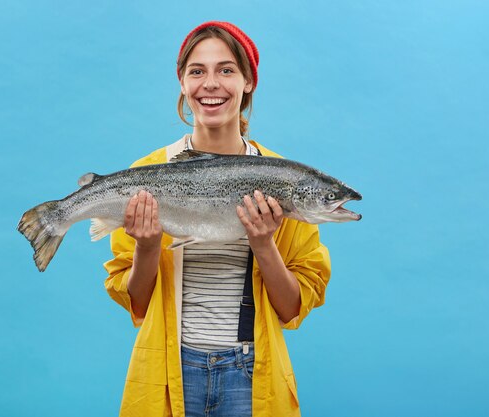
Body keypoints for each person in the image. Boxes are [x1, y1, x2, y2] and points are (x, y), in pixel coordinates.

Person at [104, 21, 331, 417]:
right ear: (182, 83)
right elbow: (136, 302)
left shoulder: (282, 179)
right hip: (169, 370)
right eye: (198, 71)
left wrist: (263, 244)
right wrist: (147, 245)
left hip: (251, 373)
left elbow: (292, 307)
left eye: (226, 70)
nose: (211, 83)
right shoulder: (147, 173)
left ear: (248, 83)